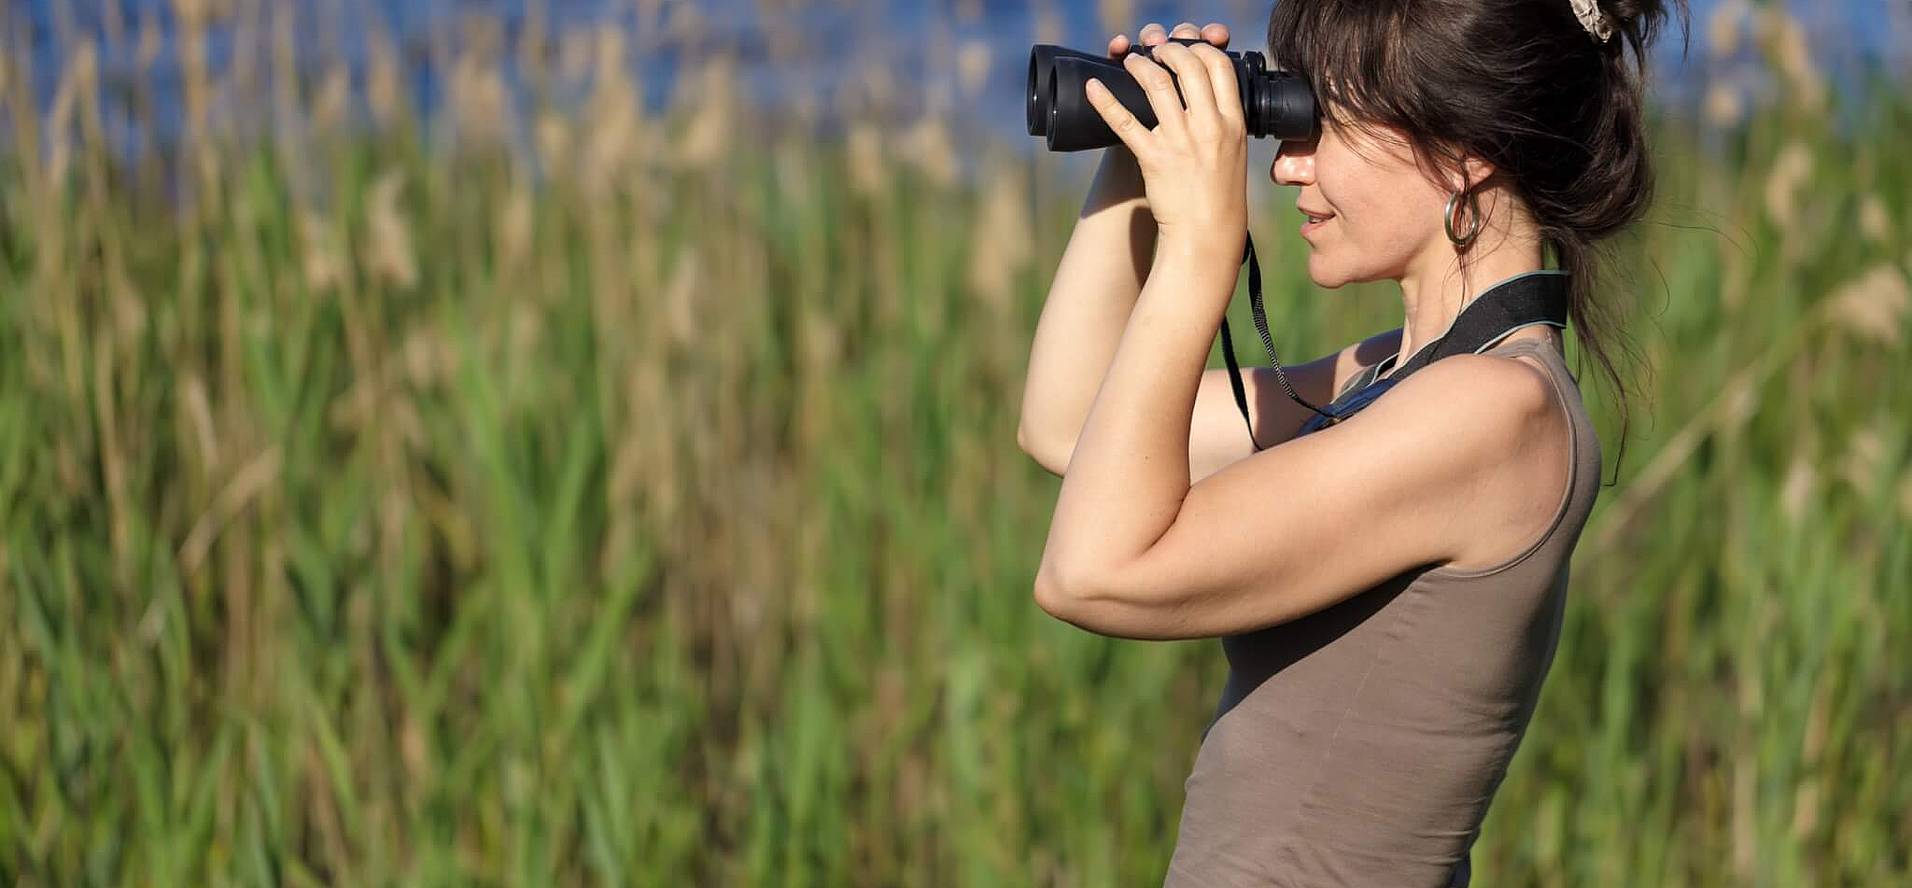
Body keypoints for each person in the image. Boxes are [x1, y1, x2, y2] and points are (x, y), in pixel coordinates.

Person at [1015, 1, 1683, 884]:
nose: (1288, 163)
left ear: (1462, 152)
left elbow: (1092, 571)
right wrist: (1134, 148)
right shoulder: (1401, 378)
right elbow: (1066, 422)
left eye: (1324, 122)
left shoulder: (1496, 413)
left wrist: (1201, 251)